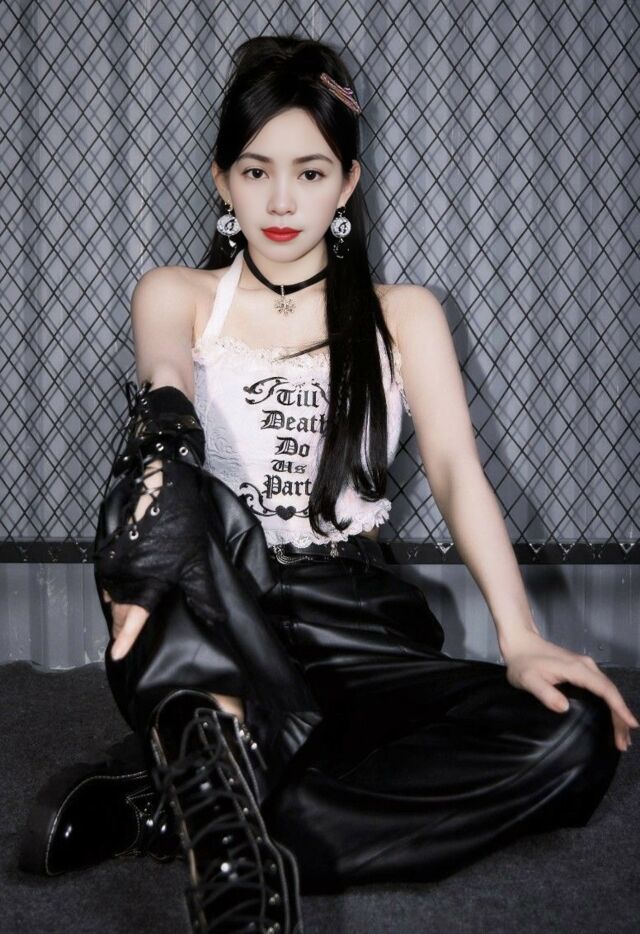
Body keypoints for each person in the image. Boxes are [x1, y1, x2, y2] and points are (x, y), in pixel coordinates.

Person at [19, 33, 638, 934]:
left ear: (346, 184)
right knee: (158, 478)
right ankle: (227, 767)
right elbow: (166, 397)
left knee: (575, 727)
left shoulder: (404, 314)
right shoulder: (177, 294)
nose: (281, 201)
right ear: (222, 181)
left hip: (355, 615)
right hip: (223, 604)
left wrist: (520, 637)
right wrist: (157, 465)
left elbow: (457, 471)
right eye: (256, 171)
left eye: (309, 173)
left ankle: (195, 801)